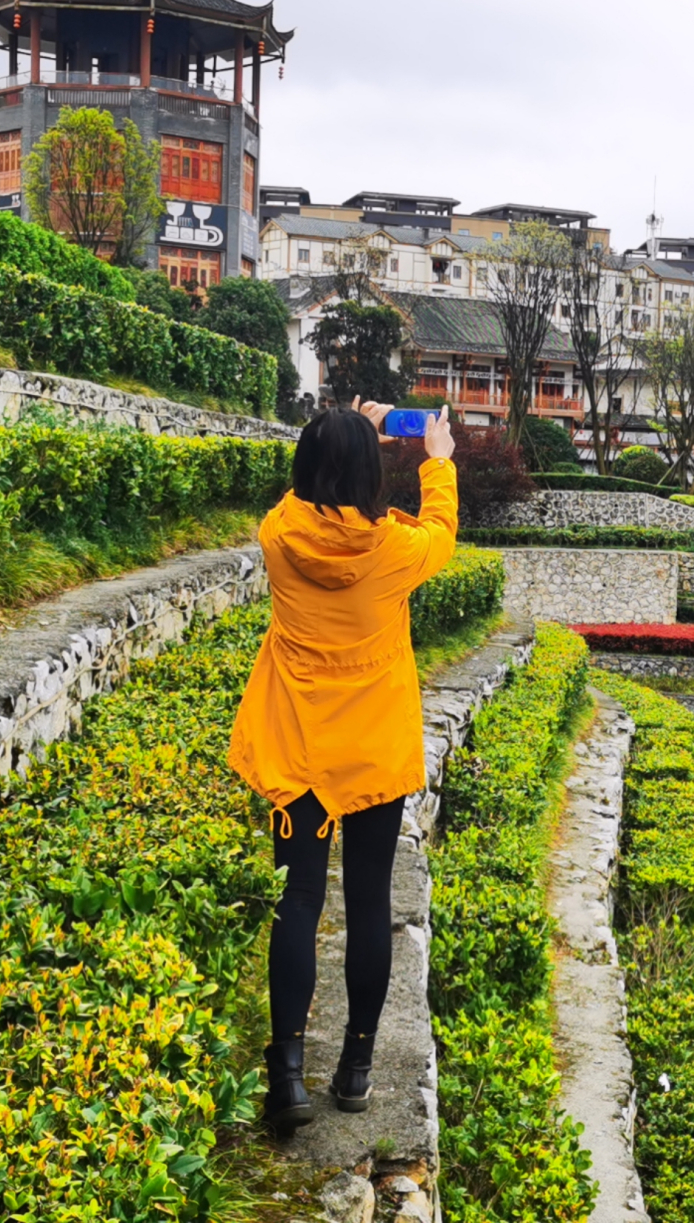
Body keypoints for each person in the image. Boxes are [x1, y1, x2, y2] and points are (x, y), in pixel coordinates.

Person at [227, 397, 457, 1131]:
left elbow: (305, 498)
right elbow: (442, 534)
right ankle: (356, 1067)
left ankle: (287, 1076)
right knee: (367, 907)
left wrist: (345, 431)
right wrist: (435, 460)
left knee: (297, 903)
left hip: (298, 745)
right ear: (368, 472)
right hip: (372, 751)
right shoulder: (394, 551)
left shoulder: (276, 533)